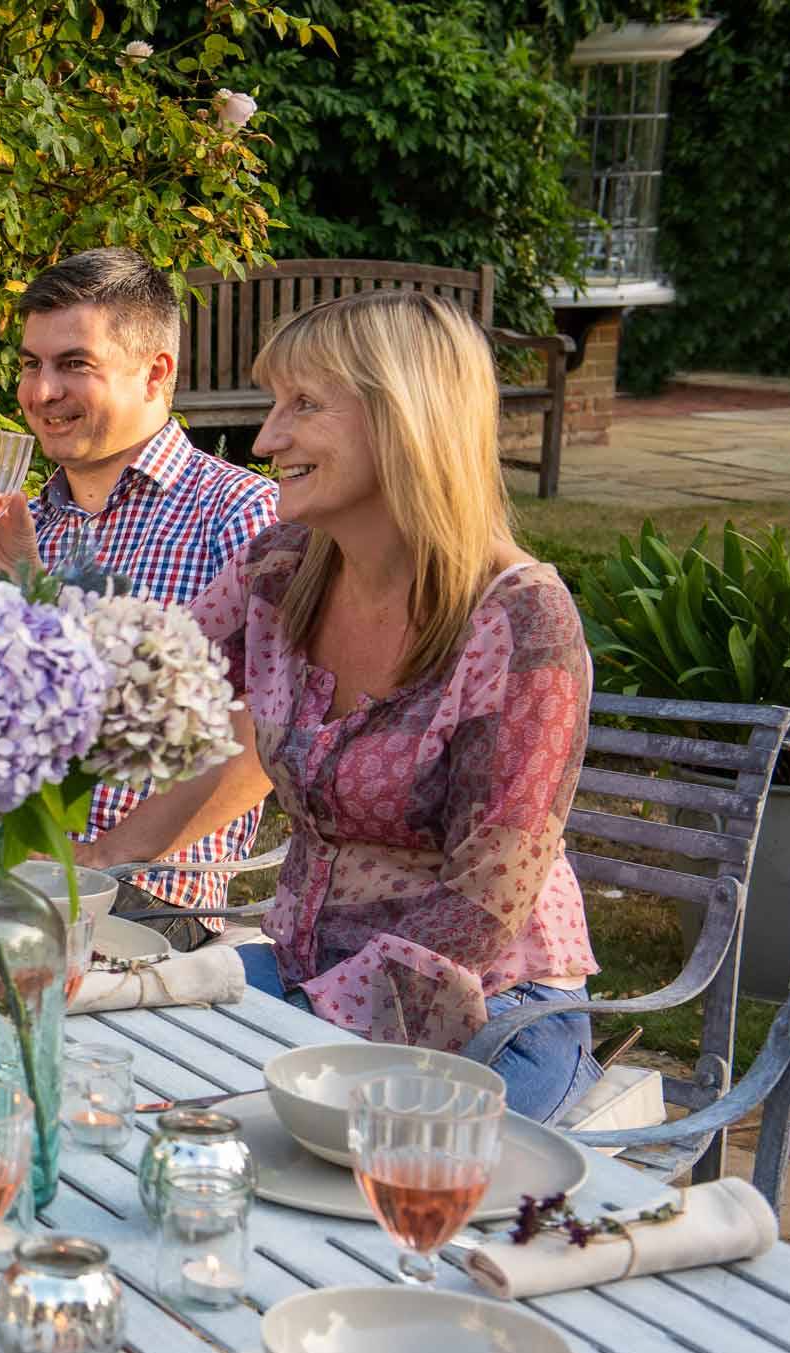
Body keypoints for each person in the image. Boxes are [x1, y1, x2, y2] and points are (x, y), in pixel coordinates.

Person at [86, 290, 601, 1121]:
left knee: (251, 1154)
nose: (266, 438)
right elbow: (132, 692)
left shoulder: (520, 619)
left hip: (487, 1014)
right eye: (273, 404)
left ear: (404, 419)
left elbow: (482, 905)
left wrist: (291, 1040)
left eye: (303, 405)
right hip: (300, 979)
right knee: (92, 1083)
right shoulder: (284, 567)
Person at [0, 248, 279, 948]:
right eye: (31, 364)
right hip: (1, 875)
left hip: (144, 904)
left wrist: (106, 858)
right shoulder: (24, 525)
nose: (42, 391)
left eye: (74, 364)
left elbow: (269, 738)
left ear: (155, 372)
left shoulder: (239, 516)